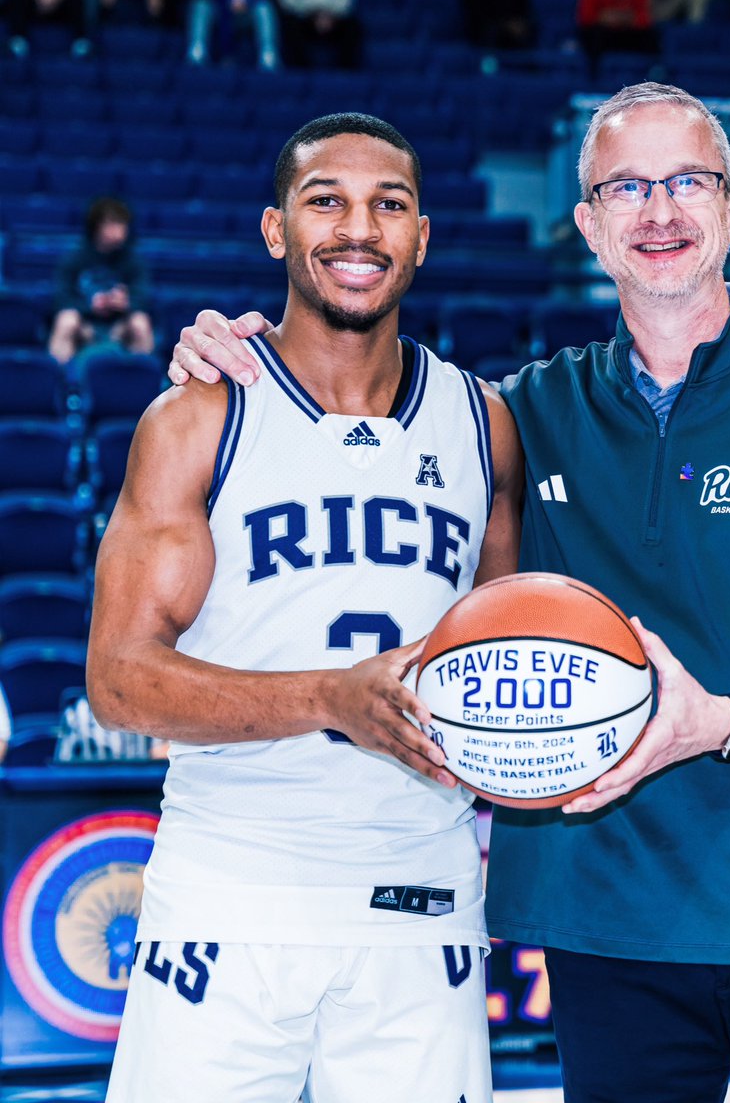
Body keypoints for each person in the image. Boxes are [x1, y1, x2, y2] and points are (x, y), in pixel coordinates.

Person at [172, 81, 730, 1103]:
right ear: (586, 223)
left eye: (686, 182)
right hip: (608, 916)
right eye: (625, 186)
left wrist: (729, 719)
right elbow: (358, 404)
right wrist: (233, 348)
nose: (658, 211)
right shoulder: (529, 411)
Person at [87, 113, 522, 1101]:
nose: (358, 228)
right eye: (326, 201)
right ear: (277, 231)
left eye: (389, 205)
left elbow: (508, 650)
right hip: (230, 897)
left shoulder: (482, 423)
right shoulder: (200, 414)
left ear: (423, 235)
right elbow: (117, 681)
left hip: (422, 901)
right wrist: (332, 697)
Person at [49, 197, 154, 364]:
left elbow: (143, 298)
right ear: (96, 226)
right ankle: (61, 383)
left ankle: (142, 381)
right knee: (66, 320)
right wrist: (91, 305)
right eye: (112, 224)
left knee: (140, 323)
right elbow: (61, 298)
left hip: (119, 326)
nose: (119, 231)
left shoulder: (134, 261)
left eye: (122, 224)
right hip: (85, 324)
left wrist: (125, 303)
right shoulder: (75, 258)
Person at [575, 0, 658, 75]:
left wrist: (629, 19)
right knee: (592, 36)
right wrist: (603, 18)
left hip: (628, 32)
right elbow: (585, 17)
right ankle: (593, 75)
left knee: (652, 36)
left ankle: (655, 72)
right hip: (604, 33)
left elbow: (646, 18)